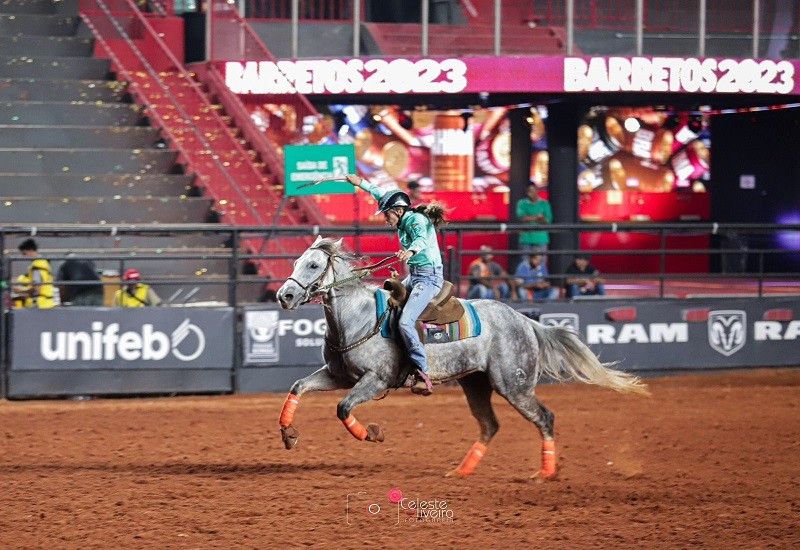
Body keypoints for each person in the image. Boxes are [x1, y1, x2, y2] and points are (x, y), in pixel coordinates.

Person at [345, 173, 443, 396]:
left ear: (398, 211)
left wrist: (409, 251)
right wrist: (359, 182)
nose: (385, 219)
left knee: (406, 322)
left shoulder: (417, 220)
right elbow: (377, 193)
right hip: (416, 275)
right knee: (387, 302)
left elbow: (421, 240)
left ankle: (422, 372)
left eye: (387, 214)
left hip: (429, 278)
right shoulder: (400, 213)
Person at [15, 239, 55, 309]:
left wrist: (20, 290)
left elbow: (36, 289)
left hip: (39, 305)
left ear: (30, 250)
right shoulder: (43, 262)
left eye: (24, 253)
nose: (24, 257)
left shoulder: (37, 265)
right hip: (45, 304)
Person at [516, 183, 552, 256]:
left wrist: (531, 217)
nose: (530, 193)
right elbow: (522, 218)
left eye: (532, 191)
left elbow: (548, 221)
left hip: (541, 239)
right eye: (528, 191)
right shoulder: (521, 203)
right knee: (525, 264)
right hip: (526, 239)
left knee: (541, 265)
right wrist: (538, 217)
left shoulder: (544, 203)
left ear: (537, 190)